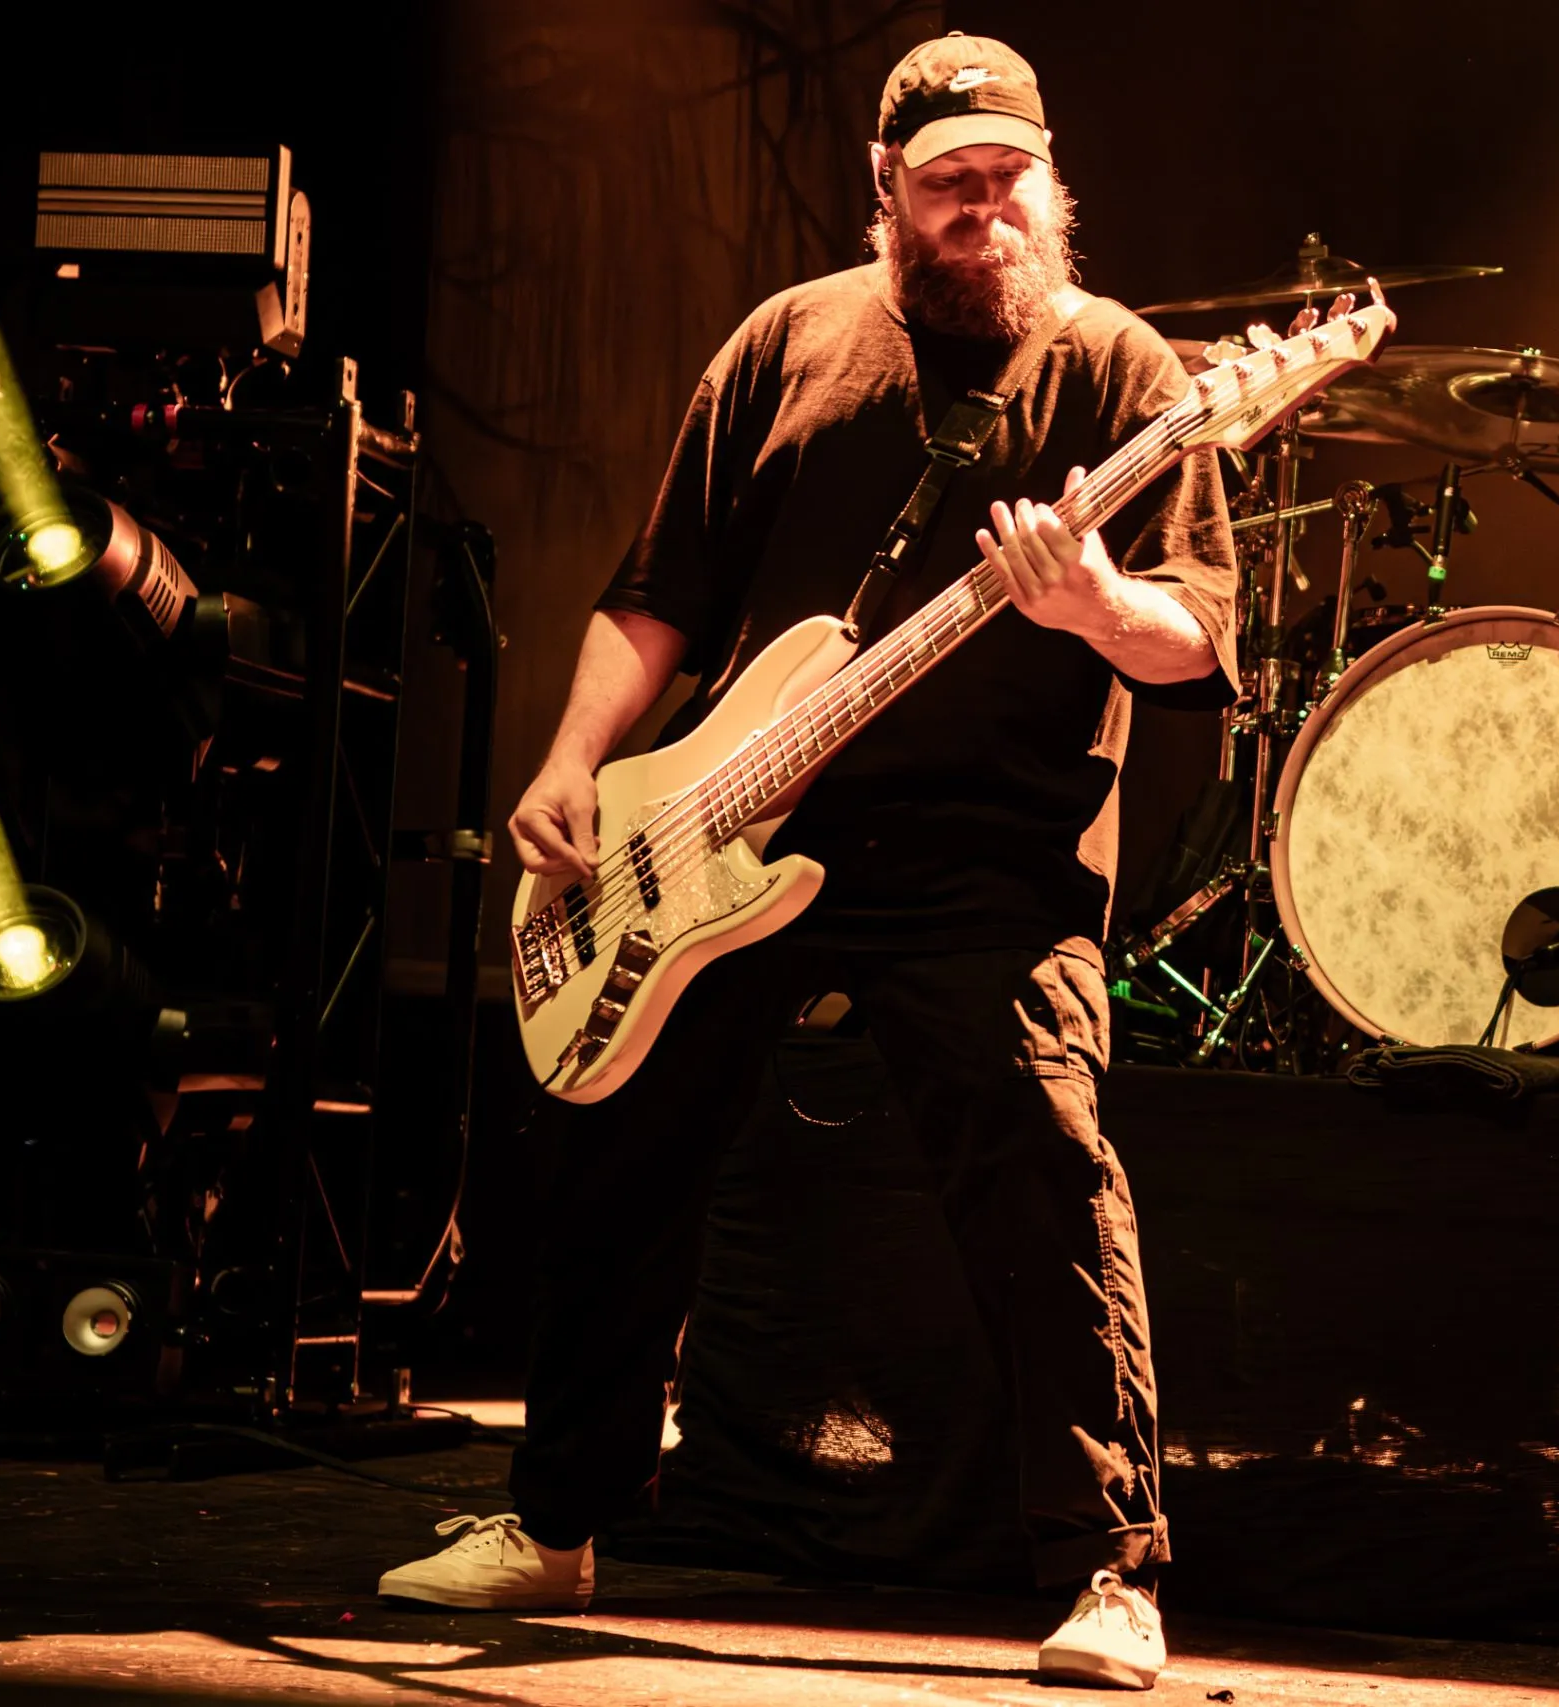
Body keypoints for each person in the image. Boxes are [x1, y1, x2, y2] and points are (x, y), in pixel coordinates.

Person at [376, 32, 1237, 1693]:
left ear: (1053, 183)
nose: (985, 208)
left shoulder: (1124, 372)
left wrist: (1093, 605)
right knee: (616, 1145)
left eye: (1010, 178)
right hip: (735, 831)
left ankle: (1110, 1573)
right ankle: (556, 1522)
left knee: (1042, 1162)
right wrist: (572, 763)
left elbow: (1196, 636)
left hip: (990, 850)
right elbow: (659, 597)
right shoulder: (788, 344)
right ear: (887, 192)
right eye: (950, 182)